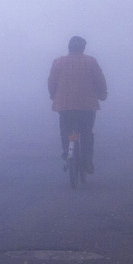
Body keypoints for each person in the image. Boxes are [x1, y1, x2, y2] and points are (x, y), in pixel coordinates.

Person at [48, 35, 107, 174]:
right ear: (83, 48)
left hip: (65, 105)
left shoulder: (58, 62)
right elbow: (100, 81)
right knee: (86, 133)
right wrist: (102, 95)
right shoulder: (91, 62)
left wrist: (53, 96)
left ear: (69, 47)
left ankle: (66, 152)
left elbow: (51, 82)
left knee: (66, 131)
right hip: (87, 106)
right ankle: (86, 161)